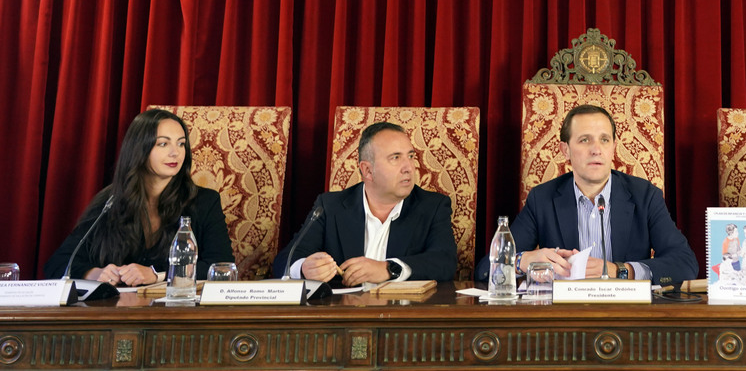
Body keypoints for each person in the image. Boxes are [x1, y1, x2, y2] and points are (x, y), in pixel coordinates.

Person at [474, 104, 697, 284]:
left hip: (630, 318)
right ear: (565, 150)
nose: (596, 149)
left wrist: (620, 270)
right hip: (566, 320)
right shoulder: (542, 199)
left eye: (604, 139)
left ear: (613, 147)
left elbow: (685, 263)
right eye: (584, 140)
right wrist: (521, 260)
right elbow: (485, 270)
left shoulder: (645, 196)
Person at [44, 109, 232, 285]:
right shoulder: (110, 201)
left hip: (178, 312)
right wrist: (95, 273)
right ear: (139, 149)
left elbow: (222, 267)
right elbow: (57, 264)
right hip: (117, 314)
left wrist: (157, 275)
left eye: (181, 143)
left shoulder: (204, 201)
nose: (175, 152)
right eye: (163, 143)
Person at [273, 122, 456, 285]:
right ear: (367, 170)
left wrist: (388, 269)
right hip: (342, 317)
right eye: (395, 158)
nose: (409, 167)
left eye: (411, 156)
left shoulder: (432, 206)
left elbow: (444, 263)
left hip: (402, 317)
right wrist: (304, 268)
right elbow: (284, 261)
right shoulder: (330, 207)